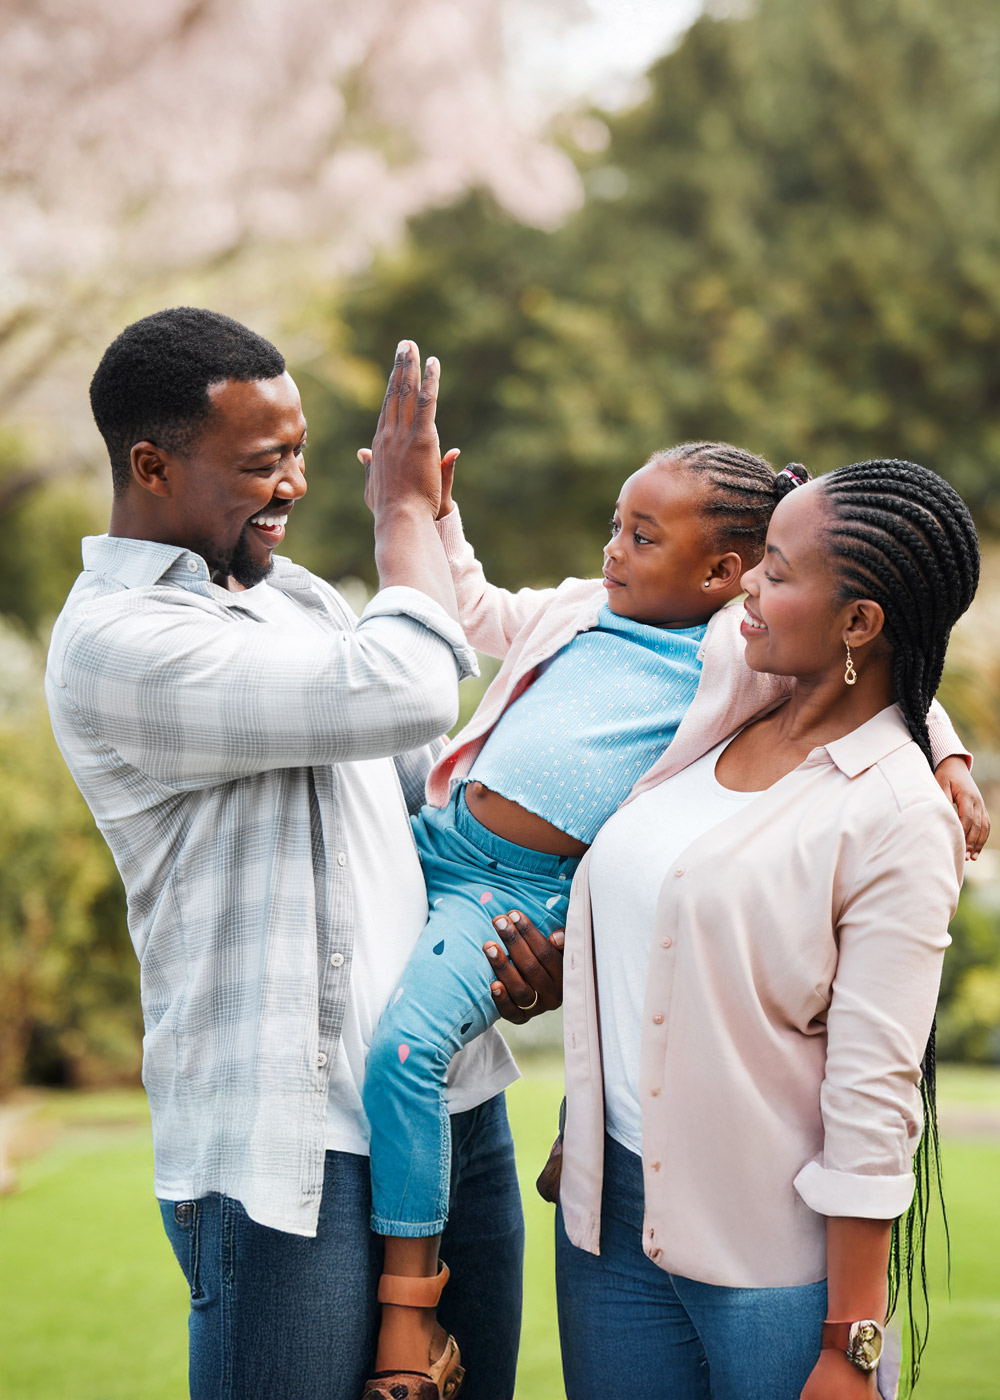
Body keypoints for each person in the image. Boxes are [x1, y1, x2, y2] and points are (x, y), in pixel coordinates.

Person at [356, 441, 985, 1399]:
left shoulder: (892, 809)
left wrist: (851, 1342)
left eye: (774, 573)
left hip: (768, 1260)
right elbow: (650, 937)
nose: (750, 596)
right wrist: (561, 985)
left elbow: (875, 1094)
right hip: (610, 1221)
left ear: (856, 620)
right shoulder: (713, 718)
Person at [44, 314, 524, 1400]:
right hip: (286, 1150)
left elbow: (423, 806)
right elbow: (406, 685)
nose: (298, 484)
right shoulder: (118, 640)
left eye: (302, 452)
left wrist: (503, 945)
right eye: (265, 462)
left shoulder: (298, 601)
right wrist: (405, 512)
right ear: (151, 464)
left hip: (449, 1110)